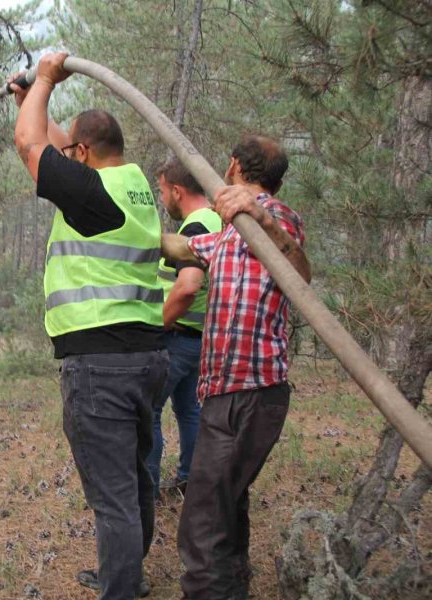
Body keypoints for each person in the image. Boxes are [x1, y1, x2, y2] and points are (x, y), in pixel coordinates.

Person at [11, 52, 169, 600]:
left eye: (71, 148)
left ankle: (121, 589)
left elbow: (33, 147)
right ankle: (129, 573)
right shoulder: (133, 184)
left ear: (81, 153)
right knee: (135, 475)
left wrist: (47, 81)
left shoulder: (92, 194)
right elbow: (54, 144)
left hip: (101, 365)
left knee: (114, 496)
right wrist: (26, 98)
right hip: (145, 357)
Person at [162, 135, 310, 599]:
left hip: (253, 388)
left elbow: (300, 273)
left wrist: (264, 215)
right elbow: (183, 248)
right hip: (223, 390)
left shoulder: (274, 218)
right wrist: (123, 230)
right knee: (226, 505)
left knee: (203, 520)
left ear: (232, 166)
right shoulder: (230, 230)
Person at [147, 158, 222, 499]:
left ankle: (145, 489)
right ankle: (189, 479)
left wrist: (156, 327)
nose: (162, 199)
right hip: (199, 340)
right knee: (189, 410)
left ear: (177, 190)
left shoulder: (195, 228)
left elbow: (188, 286)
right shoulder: (216, 218)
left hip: (177, 339)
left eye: (162, 191)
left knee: (147, 411)